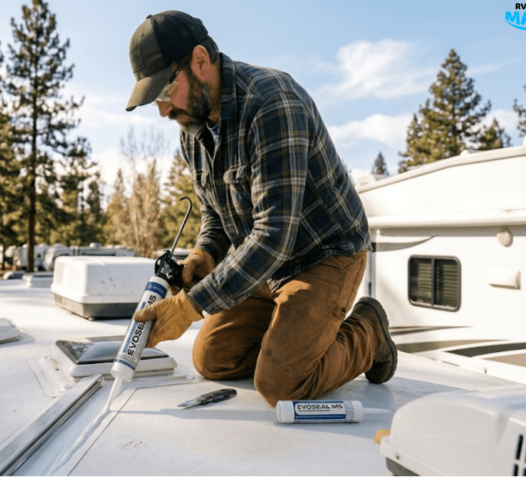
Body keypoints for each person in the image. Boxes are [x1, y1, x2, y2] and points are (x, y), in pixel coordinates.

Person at [126, 10, 397, 406]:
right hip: (265, 264)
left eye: (165, 93)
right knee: (212, 360)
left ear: (200, 61)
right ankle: (291, 336)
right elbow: (214, 214)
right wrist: (206, 251)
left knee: (281, 386)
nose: (163, 110)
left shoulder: (272, 105)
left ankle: (369, 331)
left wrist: (191, 304)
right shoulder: (193, 128)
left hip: (324, 254)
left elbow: (273, 237)